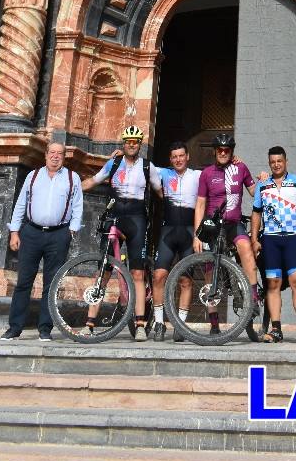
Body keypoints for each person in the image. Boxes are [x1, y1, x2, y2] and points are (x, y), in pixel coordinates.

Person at [2, 140, 82, 341]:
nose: (55, 156)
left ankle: (45, 328)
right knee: (23, 281)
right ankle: (15, 328)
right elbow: (21, 204)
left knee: (51, 283)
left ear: (64, 157)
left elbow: (77, 206)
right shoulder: (33, 176)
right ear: (45, 155)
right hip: (32, 233)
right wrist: (14, 231)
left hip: (58, 234)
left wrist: (71, 231)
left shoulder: (73, 178)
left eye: (60, 154)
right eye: (52, 153)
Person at [82, 124, 151, 339]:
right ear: (124, 143)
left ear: (139, 144)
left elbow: (163, 188)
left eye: (135, 142)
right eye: (128, 142)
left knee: (138, 273)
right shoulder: (114, 163)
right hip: (114, 217)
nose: (131, 145)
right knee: (103, 271)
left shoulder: (148, 167)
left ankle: (140, 325)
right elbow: (93, 180)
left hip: (137, 219)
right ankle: (90, 324)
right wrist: (70, 184)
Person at [251, 145, 296, 344]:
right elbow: (256, 213)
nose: (276, 165)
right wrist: (255, 239)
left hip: (292, 238)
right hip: (270, 239)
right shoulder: (263, 185)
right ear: (269, 163)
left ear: (286, 161)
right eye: (273, 162)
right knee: (273, 284)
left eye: (279, 161)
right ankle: (276, 329)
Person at [193, 132, 258, 334]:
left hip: (233, 223)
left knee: (246, 248)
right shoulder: (207, 173)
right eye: (219, 150)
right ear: (215, 152)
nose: (223, 153)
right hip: (213, 225)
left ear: (231, 152)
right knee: (210, 270)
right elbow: (201, 203)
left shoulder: (240, 168)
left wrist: (265, 180)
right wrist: (197, 235)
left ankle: (253, 299)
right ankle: (214, 323)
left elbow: (255, 192)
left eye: (226, 150)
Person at [149, 141, 201, 342]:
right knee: (159, 276)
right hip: (168, 231)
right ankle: (160, 323)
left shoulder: (197, 175)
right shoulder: (163, 173)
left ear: (188, 156)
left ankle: (180, 325)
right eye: (174, 157)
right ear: (170, 160)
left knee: (186, 280)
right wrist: (118, 155)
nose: (178, 159)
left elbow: (220, 170)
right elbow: (137, 161)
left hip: (189, 233)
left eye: (181, 156)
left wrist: (236, 160)